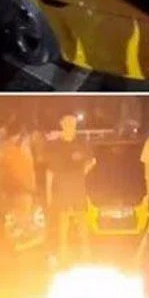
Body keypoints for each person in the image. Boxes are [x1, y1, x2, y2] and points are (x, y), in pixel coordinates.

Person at [43, 113, 96, 266]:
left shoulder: (81, 143)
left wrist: (81, 174)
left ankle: (86, 255)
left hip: (78, 188)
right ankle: (63, 255)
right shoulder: (55, 146)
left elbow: (92, 160)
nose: (69, 125)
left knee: (82, 221)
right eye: (66, 122)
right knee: (63, 223)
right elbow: (49, 172)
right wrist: (49, 196)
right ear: (62, 124)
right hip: (61, 189)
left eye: (72, 122)